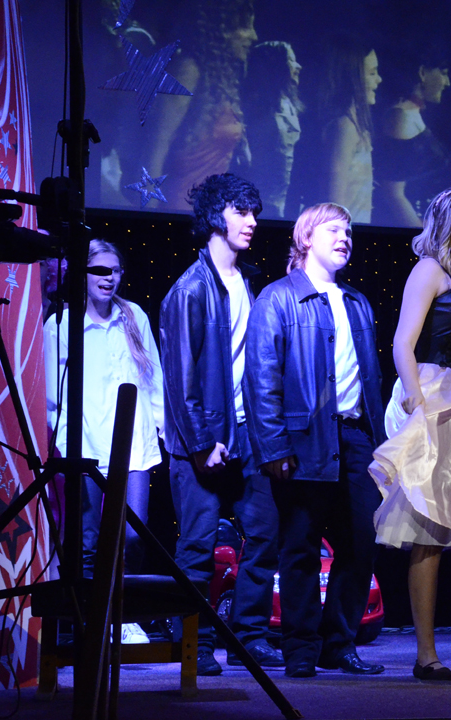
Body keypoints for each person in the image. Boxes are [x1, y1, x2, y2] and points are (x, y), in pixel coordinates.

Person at [245, 203, 386, 677]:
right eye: (333, 229)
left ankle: (338, 644)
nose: (344, 237)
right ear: (306, 238)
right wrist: (274, 447)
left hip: (356, 437)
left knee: (362, 542)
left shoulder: (357, 302)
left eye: (348, 231)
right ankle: (301, 650)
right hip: (302, 440)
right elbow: (261, 378)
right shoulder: (278, 298)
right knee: (300, 546)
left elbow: (371, 381)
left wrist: (382, 445)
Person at [370, 188, 451, 680]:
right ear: (443, 226)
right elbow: (402, 342)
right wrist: (415, 400)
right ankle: (426, 654)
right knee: (429, 529)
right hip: (437, 402)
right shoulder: (429, 270)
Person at [160, 173, 281, 675]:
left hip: (248, 431)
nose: (251, 222)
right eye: (240, 212)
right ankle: (196, 643)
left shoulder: (249, 281)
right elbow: (179, 377)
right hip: (203, 438)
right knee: (197, 545)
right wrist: (199, 443)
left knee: (264, 534)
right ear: (215, 215)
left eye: (253, 212)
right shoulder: (190, 289)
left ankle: (250, 636)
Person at [45, 239, 163, 645]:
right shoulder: (62, 324)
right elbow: (52, 397)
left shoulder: (134, 316)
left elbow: (153, 378)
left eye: (114, 270)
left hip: (133, 447)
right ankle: (90, 620)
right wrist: (65, 445)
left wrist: (160, 428)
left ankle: (123, 615)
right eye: (99, 270)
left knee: (132, 535)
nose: (107, 278)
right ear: (83, 274)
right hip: (86, 448)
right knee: (88, 539)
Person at [146, 1, 257, 204]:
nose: (253, 36)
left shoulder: (223, 79)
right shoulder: (189, 71)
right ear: (220, 30)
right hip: (181, 207)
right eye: (244, 26)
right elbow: (157, 147)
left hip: (209, 208)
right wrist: (149, 212)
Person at [291, 36, 382, 222]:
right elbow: (333, 200)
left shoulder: (353, 125)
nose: (379, 79)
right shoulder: (344, 127)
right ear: (351, 78)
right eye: (372, 73)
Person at [375, 49, 450, 227]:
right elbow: (393, 193)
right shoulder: (400, 116)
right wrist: (422, 233)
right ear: (422, 73)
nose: (447, 82)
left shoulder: (412, 113)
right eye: (443, 73)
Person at [240, 41, 303, 218]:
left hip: (287, 200)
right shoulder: (255, 107)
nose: (298, 66)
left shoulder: (288, 103)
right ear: (275, 67)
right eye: (291, 61)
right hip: (263, 202)